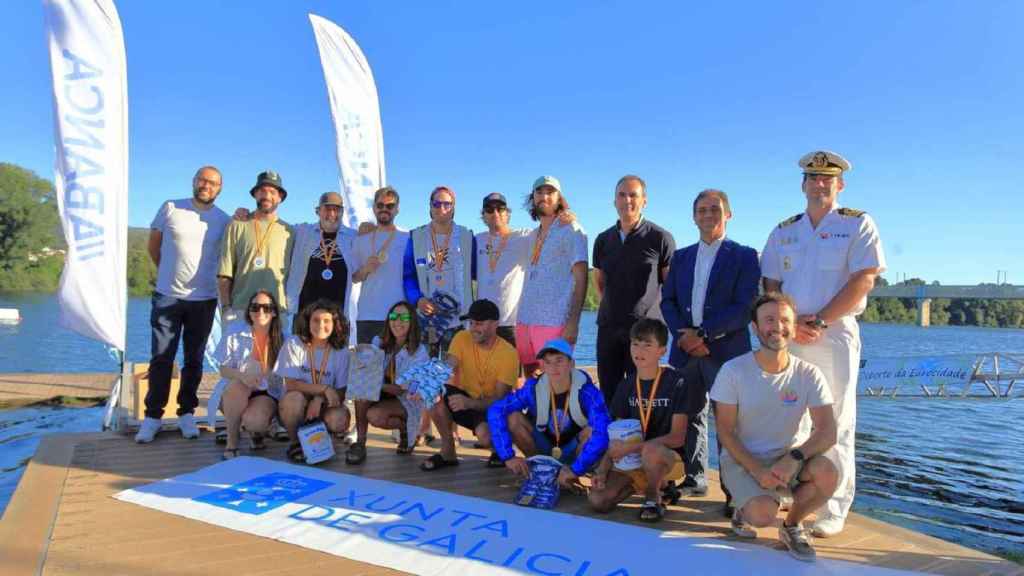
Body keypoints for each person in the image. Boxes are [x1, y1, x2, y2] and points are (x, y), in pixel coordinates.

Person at [760, 150, 886, 537]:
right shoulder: (785, 231)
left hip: (833, 336)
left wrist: (821, 319)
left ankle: (834, 505)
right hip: (790, 335)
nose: (819, 185)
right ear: (803, 184)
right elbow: (770, 284)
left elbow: (864, 278)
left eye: (826, 179)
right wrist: (789, 324)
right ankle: (792, 489)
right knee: (790, 416)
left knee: (837, 420)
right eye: (813, 178)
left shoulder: (857, 224)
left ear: (839, 185)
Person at [711, 292, 838, 562]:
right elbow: (725, 431)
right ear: (755, 328)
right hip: (744, 458)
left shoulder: (809, 374)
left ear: (793, 328)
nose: (777, 327)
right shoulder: (733, 371)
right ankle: (743, 507)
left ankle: (792, 525)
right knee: (761, 515)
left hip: (788, 459)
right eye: (769, 320)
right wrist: (757, 471)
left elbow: (828, 432)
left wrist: (794, 458)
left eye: (784, 320)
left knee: (828, 473)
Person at [660, 189, 760, 506]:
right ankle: (696, 477)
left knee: (729, 423)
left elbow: (745, 306)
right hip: (685, 351)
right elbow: (668, 301)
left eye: (714, 209)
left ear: (727, 214)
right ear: (693, 217)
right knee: (689, 415)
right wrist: (684, 335)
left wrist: (703, 334)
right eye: (701, 210)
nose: (708, 215)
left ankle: (734, 491)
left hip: (726, 352)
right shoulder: (681, 257)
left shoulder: (744, 256)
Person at [136, 166, 232, 443]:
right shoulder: (170, 208)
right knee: (162, 357)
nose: (206, 186)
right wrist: (168, 274)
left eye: (213, 183)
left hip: (203, 300)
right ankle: (153, 416)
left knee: (194, 359)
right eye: (202, 180)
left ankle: (186, 413)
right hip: (168, 296)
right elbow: (154, 247)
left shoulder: (223, 220)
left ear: (219, 189)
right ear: (194, 182)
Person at [588, 318, 706, 522]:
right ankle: (649, 484)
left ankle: (653, 498)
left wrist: (631, 449)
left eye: (647, 345)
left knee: (651, 451)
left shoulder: (676, 381)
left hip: (667, 456)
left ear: (662, 350)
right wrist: (602, 469)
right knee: (598, 501)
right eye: (635, 344)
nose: (639, 351)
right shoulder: (626, 385)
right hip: (632, 457)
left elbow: (677, 438)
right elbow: (616, 434)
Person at [592, 174, 676, 405]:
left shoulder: (661, 238)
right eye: (622, 195)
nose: (627, 200)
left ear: (644, 201)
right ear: (614, 201)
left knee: (642, 395)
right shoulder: (602, 240)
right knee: (609, 392)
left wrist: (651, 323)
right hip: (608, 328)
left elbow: (668, 286)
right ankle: (612, 440)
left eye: (633, 195)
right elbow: (599, 281)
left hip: (644, 332)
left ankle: (643, 440)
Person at [488, 338, 611, 488]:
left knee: (594, 430)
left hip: (574, 451)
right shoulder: (533, 389)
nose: (553, 367)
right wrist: (508, 457)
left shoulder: (588, 392)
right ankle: (537, 470)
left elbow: (602, 432)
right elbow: (496, 410)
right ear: (542, 366)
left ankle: (572, 476)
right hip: (544, 447)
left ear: (571, 363)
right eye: (548, 362)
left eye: (559, 360)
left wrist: (575, 469)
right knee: (513, 417)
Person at [420, 299, 519, 471]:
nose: (473, 328)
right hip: (466, 400)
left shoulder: (509, 354)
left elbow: (499, 399)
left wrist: (470, 403)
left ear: (495, 324)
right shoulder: (461, 337)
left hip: (492, 408)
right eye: (471, 322)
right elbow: (447, 365)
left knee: (485, 436)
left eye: (479, 323)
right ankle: (448, 452)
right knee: (432, 392)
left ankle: (501, 450)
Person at [515, 176, 587, 375]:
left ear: (559, 198)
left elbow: (582, 278)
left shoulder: (572, 229)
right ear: (533, 198)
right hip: (525, 319)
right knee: (530, 378)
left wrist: (573, 323)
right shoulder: (532, 235)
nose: (544, 196)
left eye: (550, 192)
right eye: (539, 192)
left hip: (554, 321)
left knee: (556, 381)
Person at [348, 300, 430, 464]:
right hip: (382, 391)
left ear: (412, 321)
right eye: (393, 316)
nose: (397, 321)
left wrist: (374, 383)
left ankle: (405, 428)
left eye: (404, 317)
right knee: (361, 392)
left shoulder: (419, 351)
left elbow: (401, 390)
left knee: (375, 415)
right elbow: (367, 371)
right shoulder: (378, 342)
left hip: (407, 399)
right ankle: (360, 443)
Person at [274, 299, 351, 463]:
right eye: (315, 320)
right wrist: (323, 389)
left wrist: (320, 398)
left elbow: (342, 391)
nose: (321, 325)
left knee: (339, 418)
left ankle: (319, 438)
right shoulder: (294, 343)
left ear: (335, 323)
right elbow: (291, 384)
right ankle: (295, 443)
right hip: (294, 404)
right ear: (307, 322)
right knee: (294, 399)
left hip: (322, 405)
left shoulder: (341, 351)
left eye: (326, 321)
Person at [403, 186, 477, 355]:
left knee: (455, 375)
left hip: (459, 320)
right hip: (427, 319)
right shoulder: (416, 236)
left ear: (454, 208)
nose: (441, 208)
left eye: (447, 204)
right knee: (426, 373)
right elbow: (408, 276)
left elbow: (477, 272)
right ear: (430, 207)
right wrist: (418, 300)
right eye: (436, 204)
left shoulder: (467, 236)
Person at [217, 170, 293, 334]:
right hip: (240, 311)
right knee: (234, 360)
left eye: (272, 192)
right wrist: (226, 308)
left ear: (280, 198)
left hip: (276, 312)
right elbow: (225, 271)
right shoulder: (237, 225)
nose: (267, 195)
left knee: (274, 360)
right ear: (255, 195)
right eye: (262, 191)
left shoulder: (290, 232)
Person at [215, 290, 285, 459]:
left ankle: (257, 432)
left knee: (255, 421)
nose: (260, 312)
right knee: (236, 387)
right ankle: (232, 443)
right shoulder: (234, 333)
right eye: (255, 307)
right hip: (236, 391)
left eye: (266, 308)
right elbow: (223, 369)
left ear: (274, 312)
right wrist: (242, 376)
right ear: (249, 312)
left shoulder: (284, 340)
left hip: (265, 393)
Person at [284, 191, 357, 334]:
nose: (331, 213)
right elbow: (276, 224)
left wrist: (370, 226)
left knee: (336, 355)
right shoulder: (302, 231)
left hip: (338, 315)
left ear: (342, 212)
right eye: (327, 209)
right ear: (318, 211)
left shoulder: (353, 237)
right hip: (304, 312)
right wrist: (248, 215)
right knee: (301, 354)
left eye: (336, 209)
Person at [351, 186, 409, 344]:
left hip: (398, 315)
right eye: (380, 205)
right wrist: (365, 270)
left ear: (397, 209)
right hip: (367, 315)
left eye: (390, 206)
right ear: (374, 208)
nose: (384, 209)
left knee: (396, 367)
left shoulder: (407, 238)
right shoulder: (361, 239)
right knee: (368, 367)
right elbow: (354, 277)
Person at [475, 193, 530, 347]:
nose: (495, 213)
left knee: (512, 370)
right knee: (481, 370)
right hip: (482, 322)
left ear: (508, 213)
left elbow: (548, 232)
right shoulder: (476, 240)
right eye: (490, 209)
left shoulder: (524, 237)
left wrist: (563, 216)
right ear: (483, 215)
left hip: (510, 322)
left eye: (500, 208)